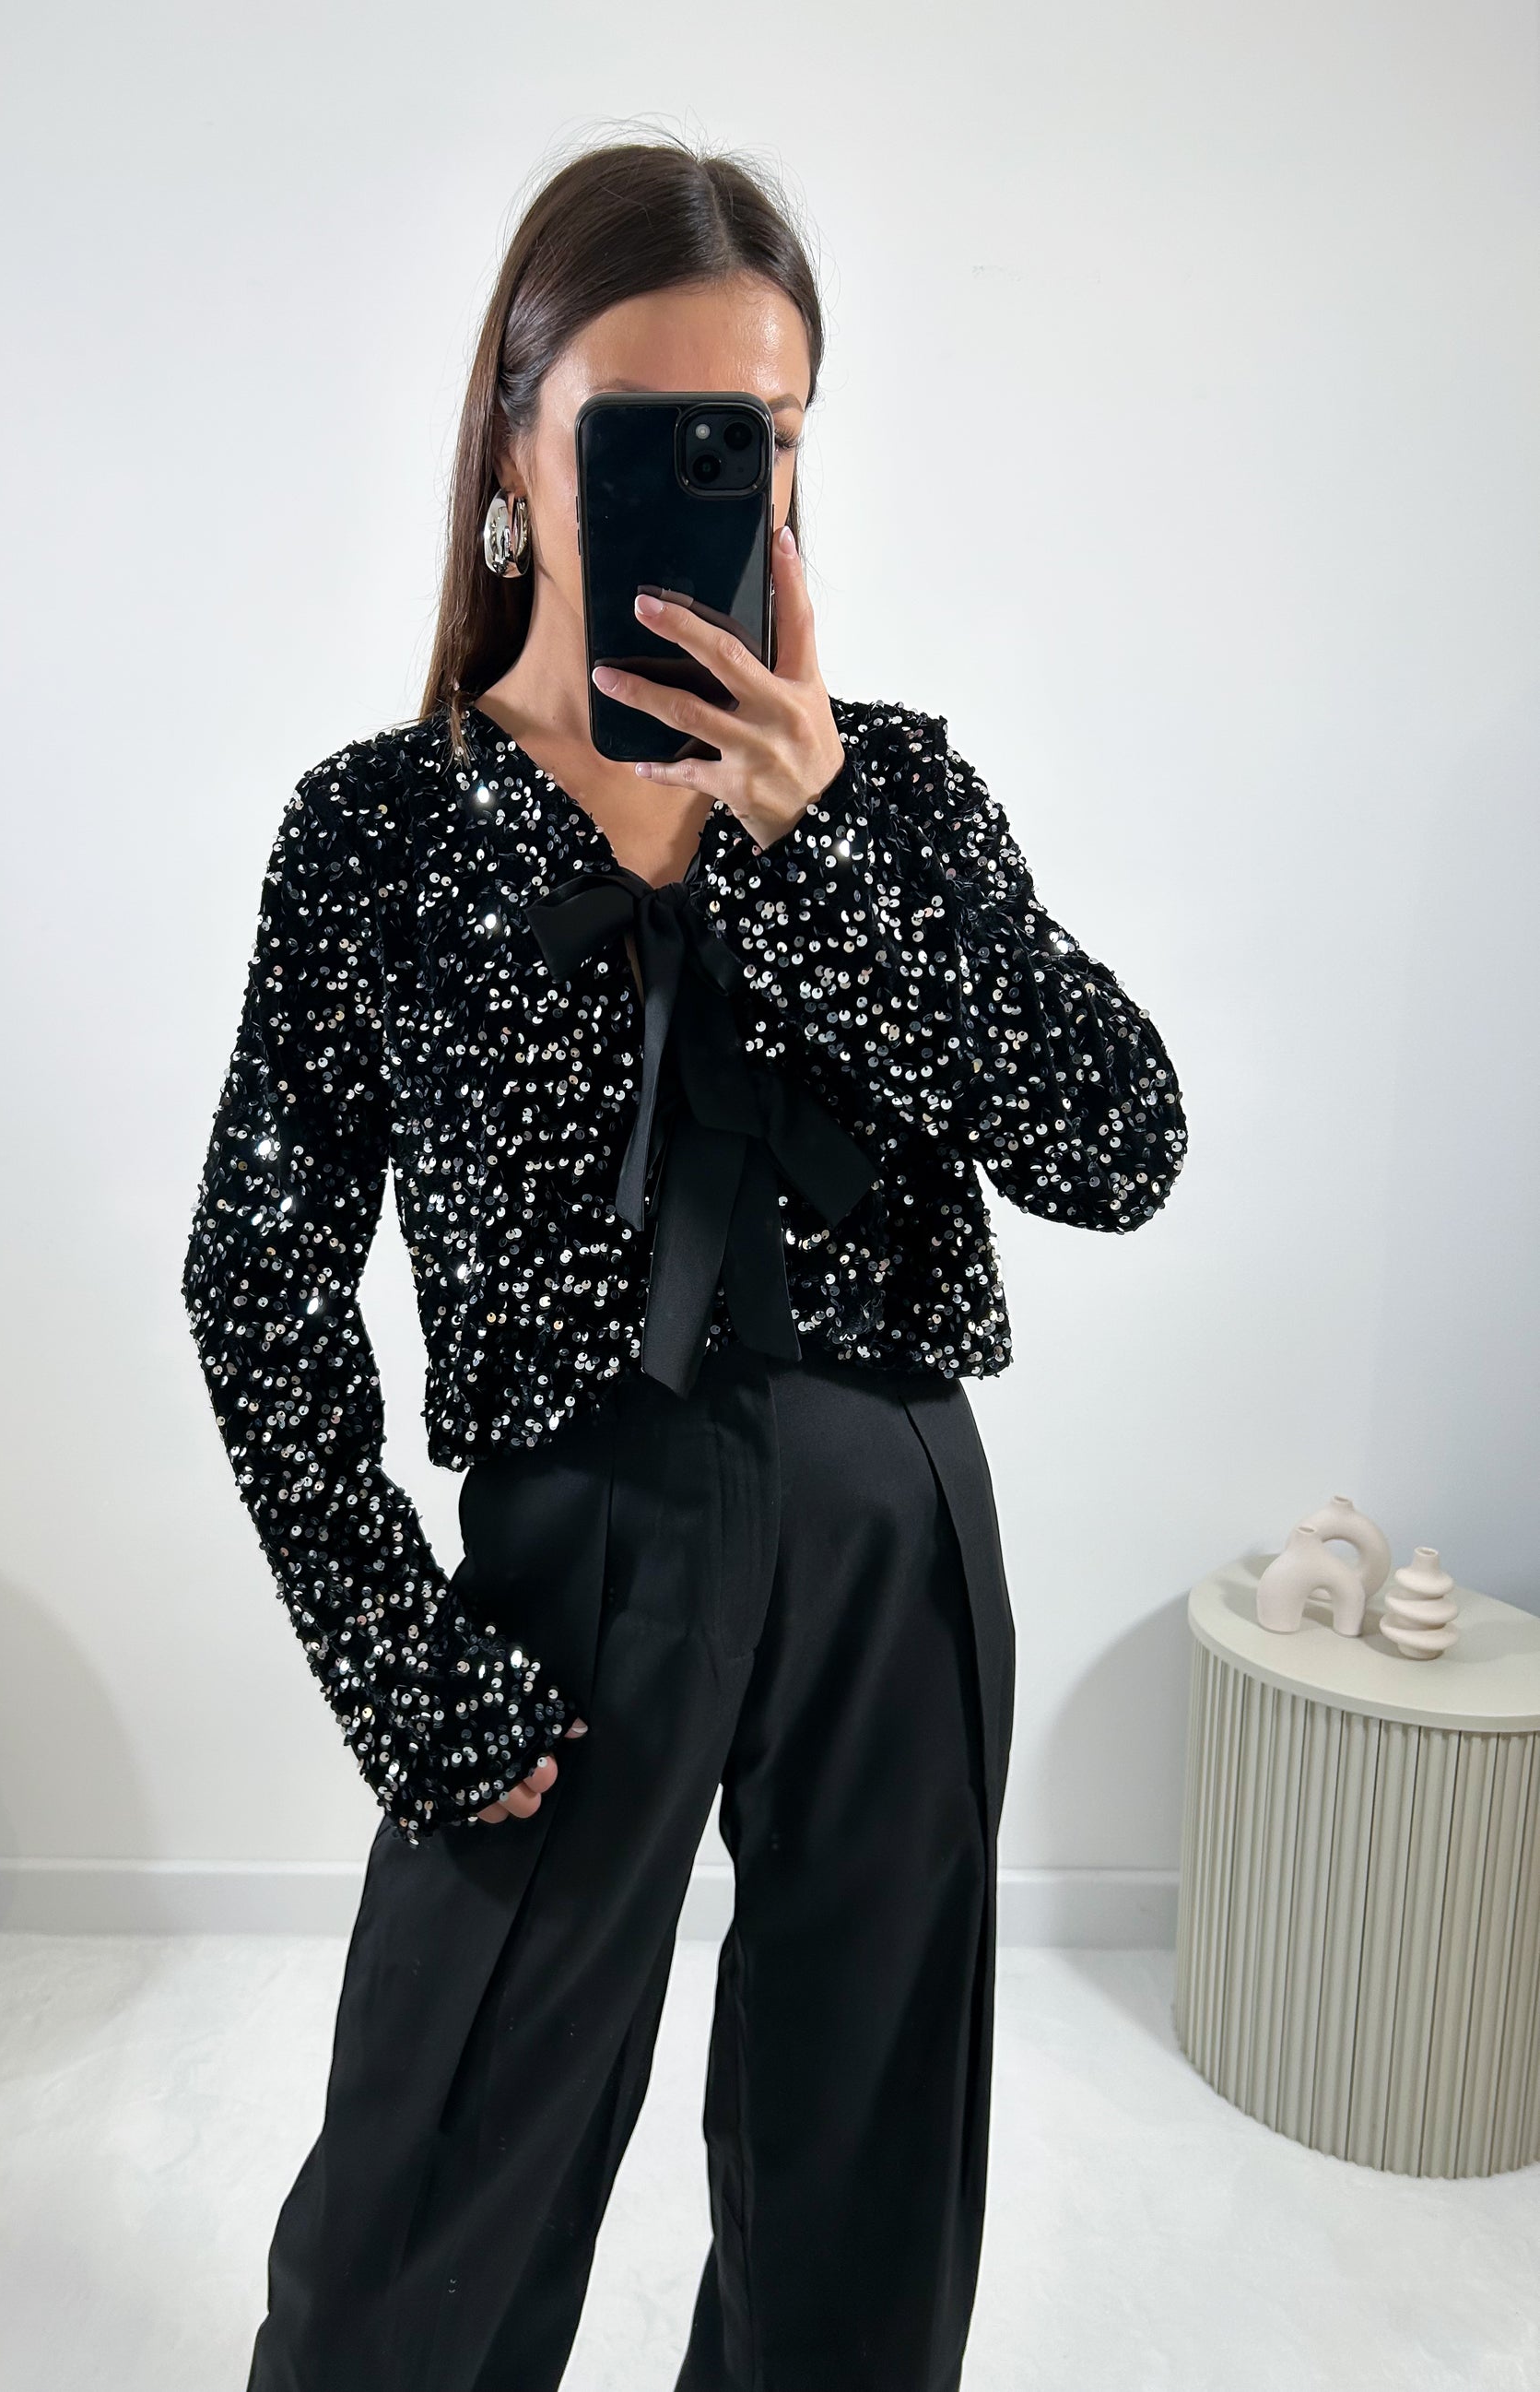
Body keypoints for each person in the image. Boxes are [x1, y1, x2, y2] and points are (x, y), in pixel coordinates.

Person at [182, 133, 1187, 2392]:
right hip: (577, 1553)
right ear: (513, 454)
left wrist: (810, 846)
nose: (722, 483)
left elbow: (1118, 1140)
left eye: (766, 436)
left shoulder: (894, 796)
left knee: (860, 2190)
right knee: (424, 2204)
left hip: (892, 1526)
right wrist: (398, 1662)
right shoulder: (377, 831)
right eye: (647, 432)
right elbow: (256, 1271)